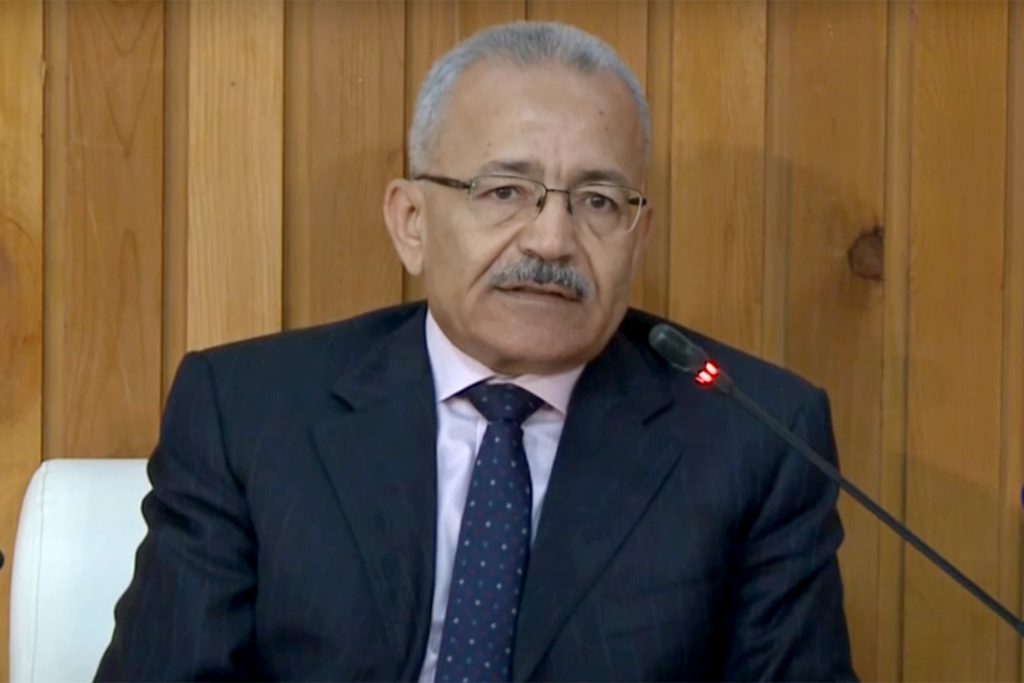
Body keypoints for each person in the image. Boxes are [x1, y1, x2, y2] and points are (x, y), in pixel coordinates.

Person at [96, 21, 855, 682]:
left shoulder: (755, 440)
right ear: (411, 222)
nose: (551, 240)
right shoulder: (248, 413)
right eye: (504, 191)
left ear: (638, 237)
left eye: (598, 201)